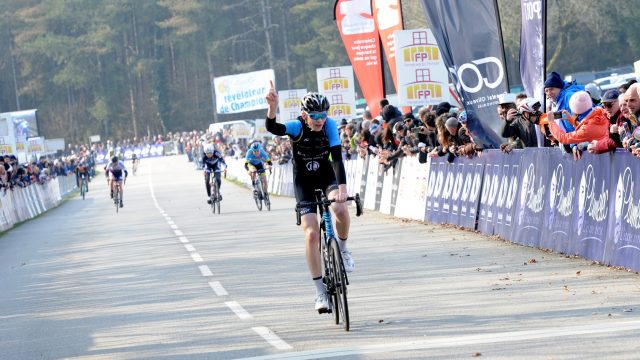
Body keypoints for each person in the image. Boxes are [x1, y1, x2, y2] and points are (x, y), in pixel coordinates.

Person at [265, 83, 353, 313]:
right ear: (305, 115)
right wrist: (272, 107)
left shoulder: (330, 126)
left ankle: (342, 249)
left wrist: (342, 190)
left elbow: (337, 158)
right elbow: (274, 127)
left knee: (341, 210)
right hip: (303, 181)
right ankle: (320, 292)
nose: (319, 119)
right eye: (314, 115)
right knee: (312, 234)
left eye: (323, 115)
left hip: (326, 177)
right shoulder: (296, 126)